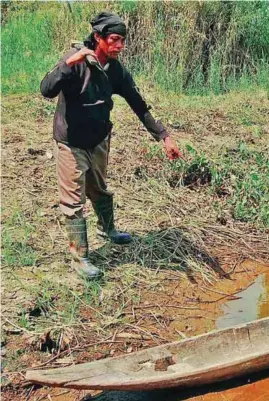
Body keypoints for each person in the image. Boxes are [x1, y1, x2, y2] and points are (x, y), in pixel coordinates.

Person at [40, 11, 182, 279]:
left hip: (99, 139)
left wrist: (164, 136)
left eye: (122, 40)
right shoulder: (76, 63)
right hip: (71, 142)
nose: (120, 46)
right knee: (73, 201)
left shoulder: (115, 70)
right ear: (98, 38)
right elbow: (46, 89)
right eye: (115, 40)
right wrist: (69, 63)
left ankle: (108, 230)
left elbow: (138, 104)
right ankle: (80, 257)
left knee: (99, 189)